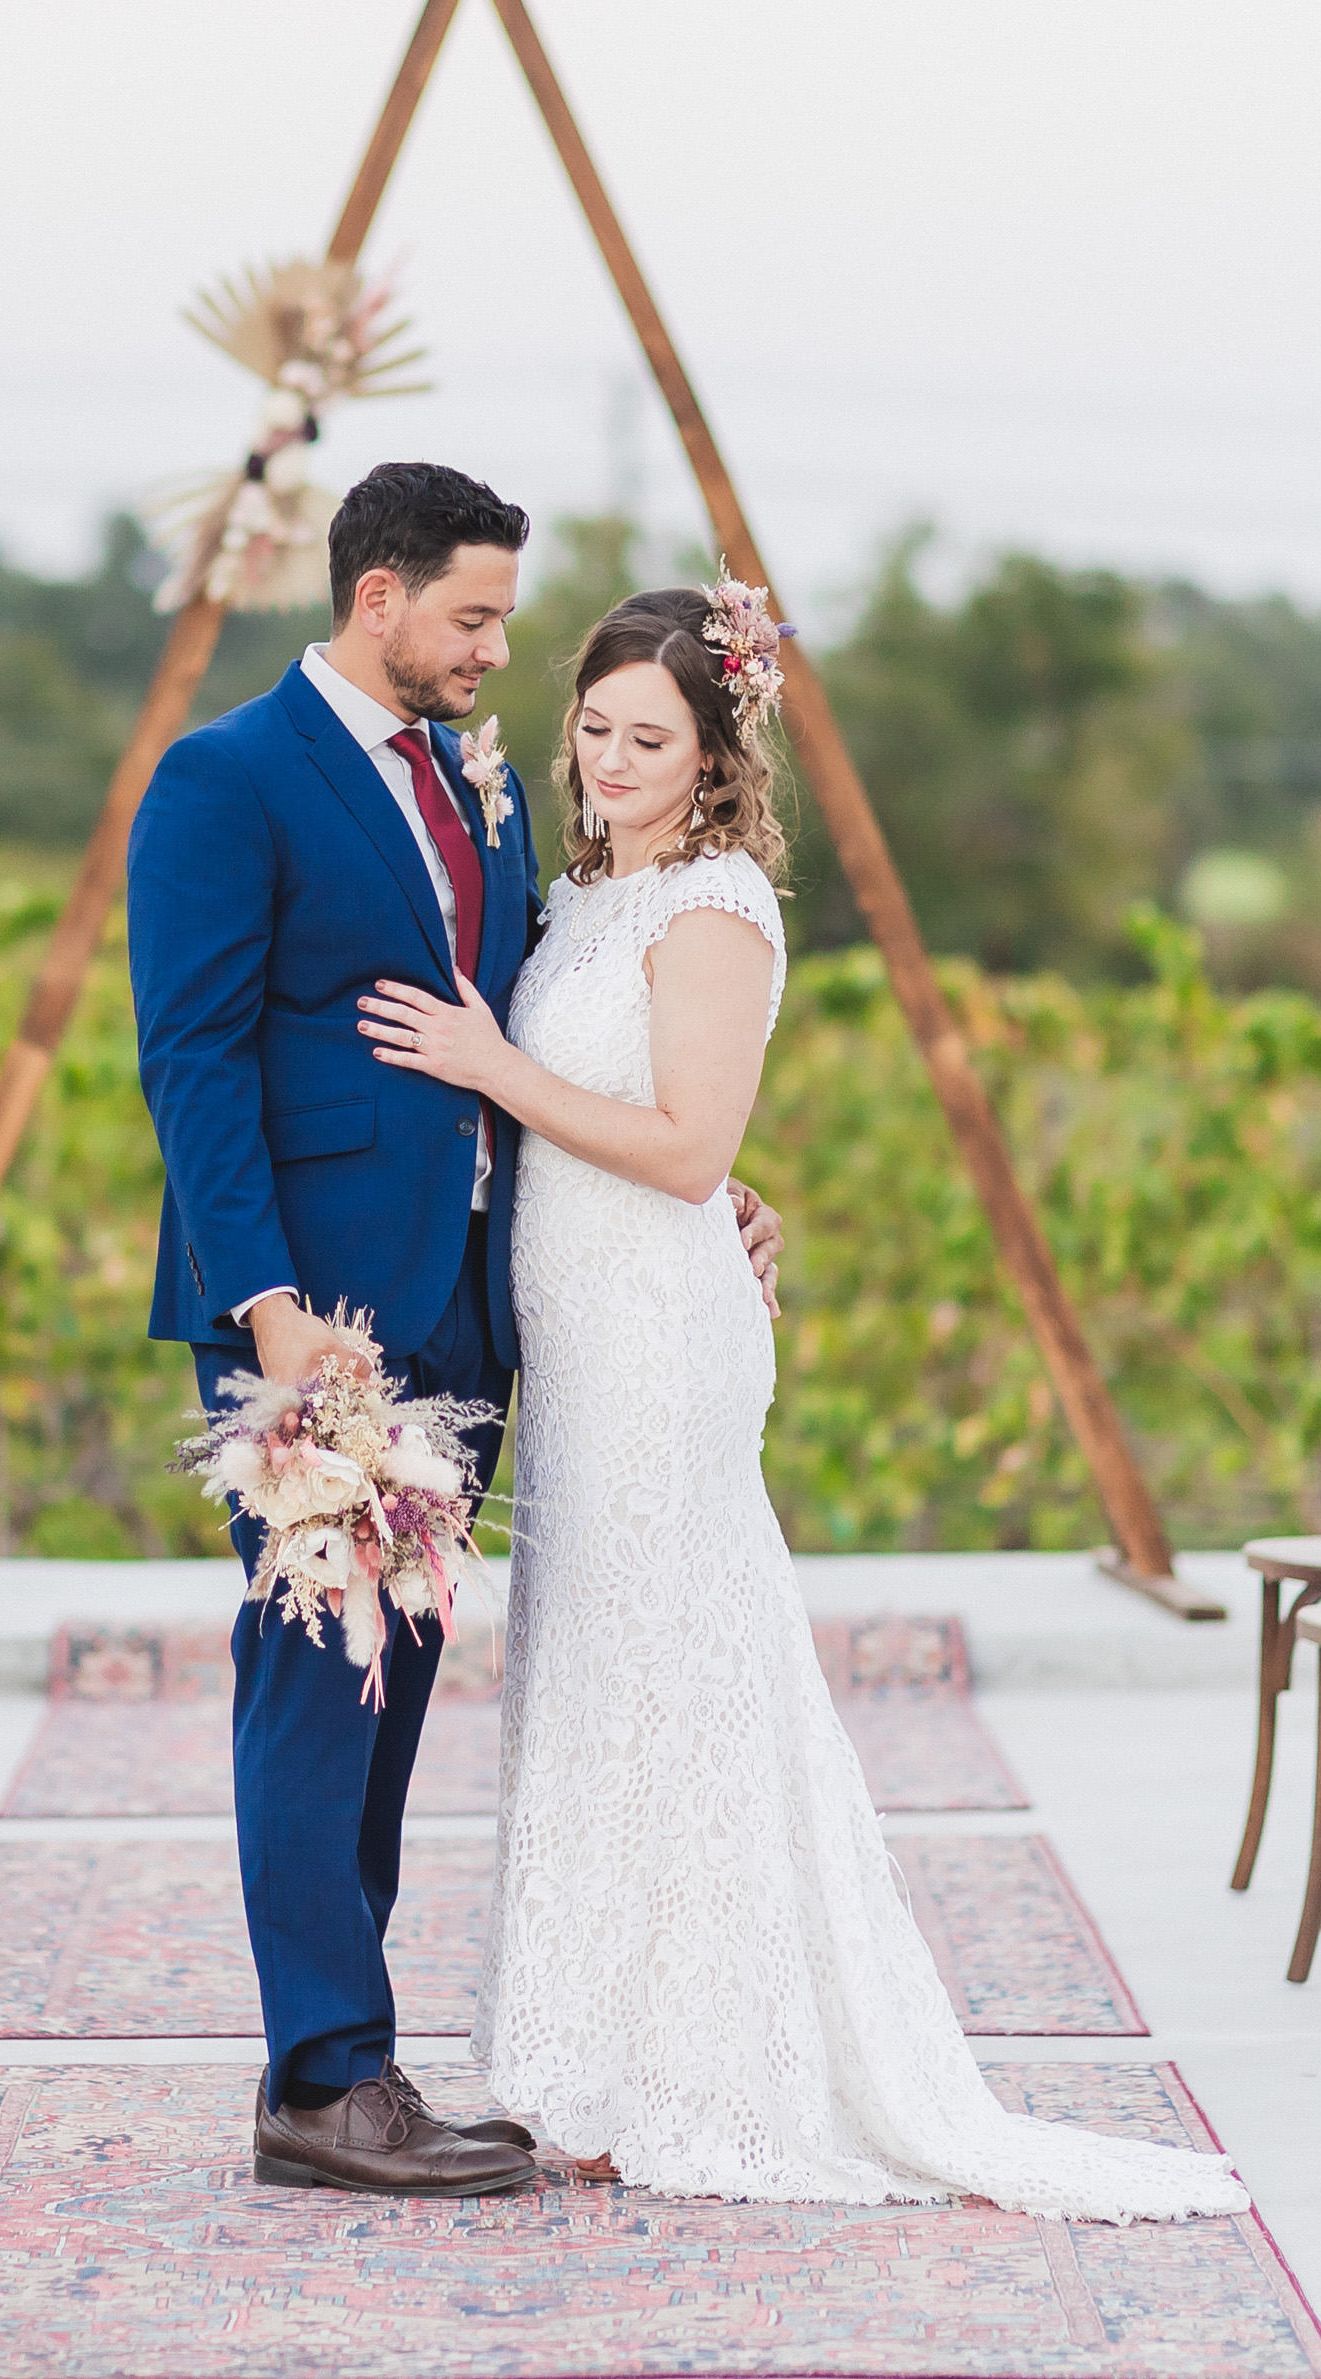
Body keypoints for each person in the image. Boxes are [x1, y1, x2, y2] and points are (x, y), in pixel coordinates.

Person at [356, 584, 1250, 2220]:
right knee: (599, 1675)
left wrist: (497, 1070)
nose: (612, 760)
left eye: (652, 740)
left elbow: (684, 1147)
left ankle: (709, 2064)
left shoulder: (715, 909)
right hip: (579, 1329)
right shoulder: (580, 900)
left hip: (660, 1350)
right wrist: (655, 1145)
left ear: (716, 758)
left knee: (679, 1669)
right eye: (598, 729)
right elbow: (666, 1127)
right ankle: (595, 2063)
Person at [128, 463, 785, 2198]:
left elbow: (576, 1027)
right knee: (314, 1682)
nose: (500, 651)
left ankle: (360, 2058)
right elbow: (191, 1066)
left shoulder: (477, 788)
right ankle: (323, 2080)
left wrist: (714, 1191)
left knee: (396, 1692)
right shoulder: (225, 782)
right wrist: (266, 1311)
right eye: (476, 617)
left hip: (471, 1312)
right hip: (314, 1325)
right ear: (378, 602)